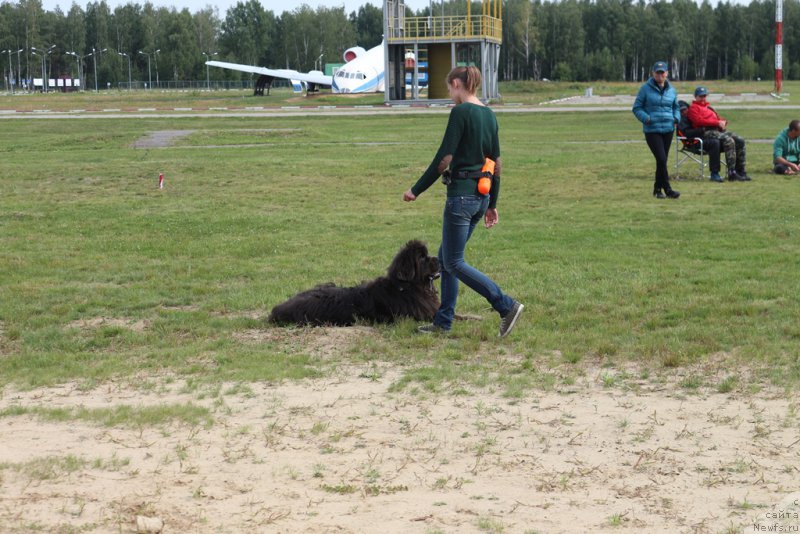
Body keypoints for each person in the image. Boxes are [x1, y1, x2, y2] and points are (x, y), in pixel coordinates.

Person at [402, 66, 524, 337]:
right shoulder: (489, 115)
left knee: (454, 261)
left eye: (449, 88)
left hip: (461, 198)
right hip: (480, 198)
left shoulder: (460, 113)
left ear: (457, 84)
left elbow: (445, 159)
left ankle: (505, 305)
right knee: (446, 259)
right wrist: (493, 203)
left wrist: (416, 189)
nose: (450, 94)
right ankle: (443, 322)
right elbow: (497, 164)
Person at [632, 61, 681, 199]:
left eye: (662, 72)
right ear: (653, 73)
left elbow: (676, 107)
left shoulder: (672, 90)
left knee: (662, 161)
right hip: (652, 129)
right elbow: (636, 108)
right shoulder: (645, 89)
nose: (660, 75)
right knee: (661, 158)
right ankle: (668, 189)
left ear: (667, 73)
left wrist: (676, 118)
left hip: (668, 129)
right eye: (657, 72)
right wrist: (646, 118)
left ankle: (657, 189)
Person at [687, 86, 751, 181]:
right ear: (696, 97)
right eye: (701, 96)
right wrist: (716, 123)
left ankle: (740, 171)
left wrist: (723, 122)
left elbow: (718, 118)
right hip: (706, 132)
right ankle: (731, 172)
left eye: (704, 96)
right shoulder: (693, 108)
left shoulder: (709, 108)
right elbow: (698, 121)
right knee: (728, 140)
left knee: (740, 140)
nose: (703, 98)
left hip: (717, 130)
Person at [678, 100, 723, 182]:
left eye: (685, 109)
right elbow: (687, 134)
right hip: (693, 143)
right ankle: (714, 174)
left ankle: (733, 172)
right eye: (681, 111)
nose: (684, 112)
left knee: (725, 141)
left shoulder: (693, 115)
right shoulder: (681, 121)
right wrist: (702, 130)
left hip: (703, 139)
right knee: (715, 143)